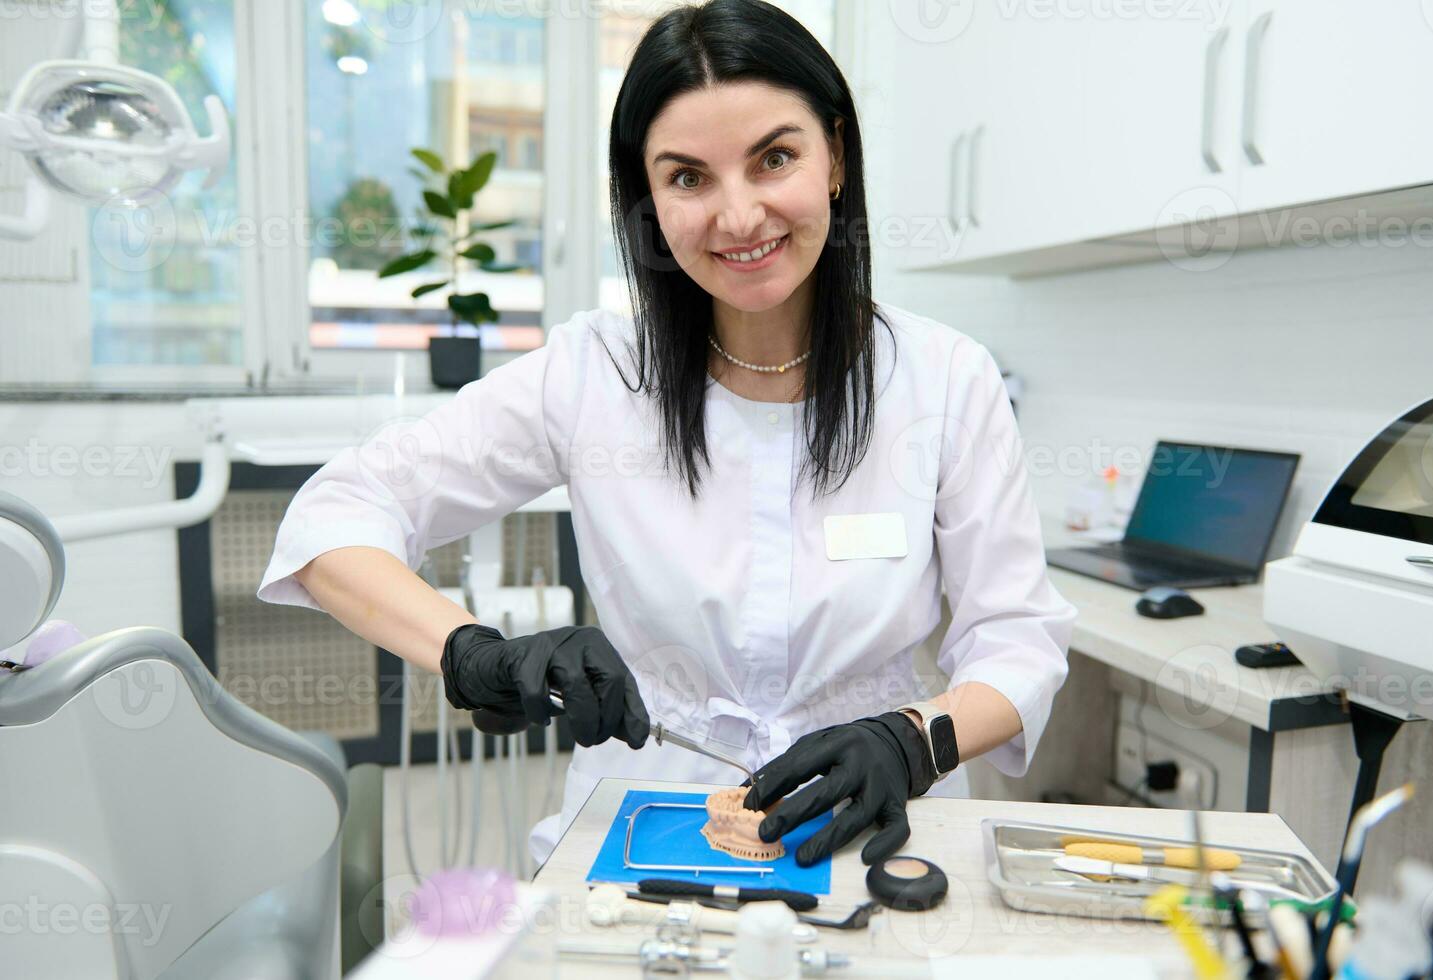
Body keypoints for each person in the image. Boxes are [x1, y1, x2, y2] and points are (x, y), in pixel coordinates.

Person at [257, 0, 1076, 870]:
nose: (738, 216)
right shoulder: (591, 374)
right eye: (688, 177)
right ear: (647, 199)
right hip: (646, 814)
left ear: (833, 157)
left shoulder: (945, 377)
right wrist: (473, 656)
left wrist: (916, 739)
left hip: (873, 816)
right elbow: (336, 514)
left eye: (774, 158)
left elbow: (1017, 638)